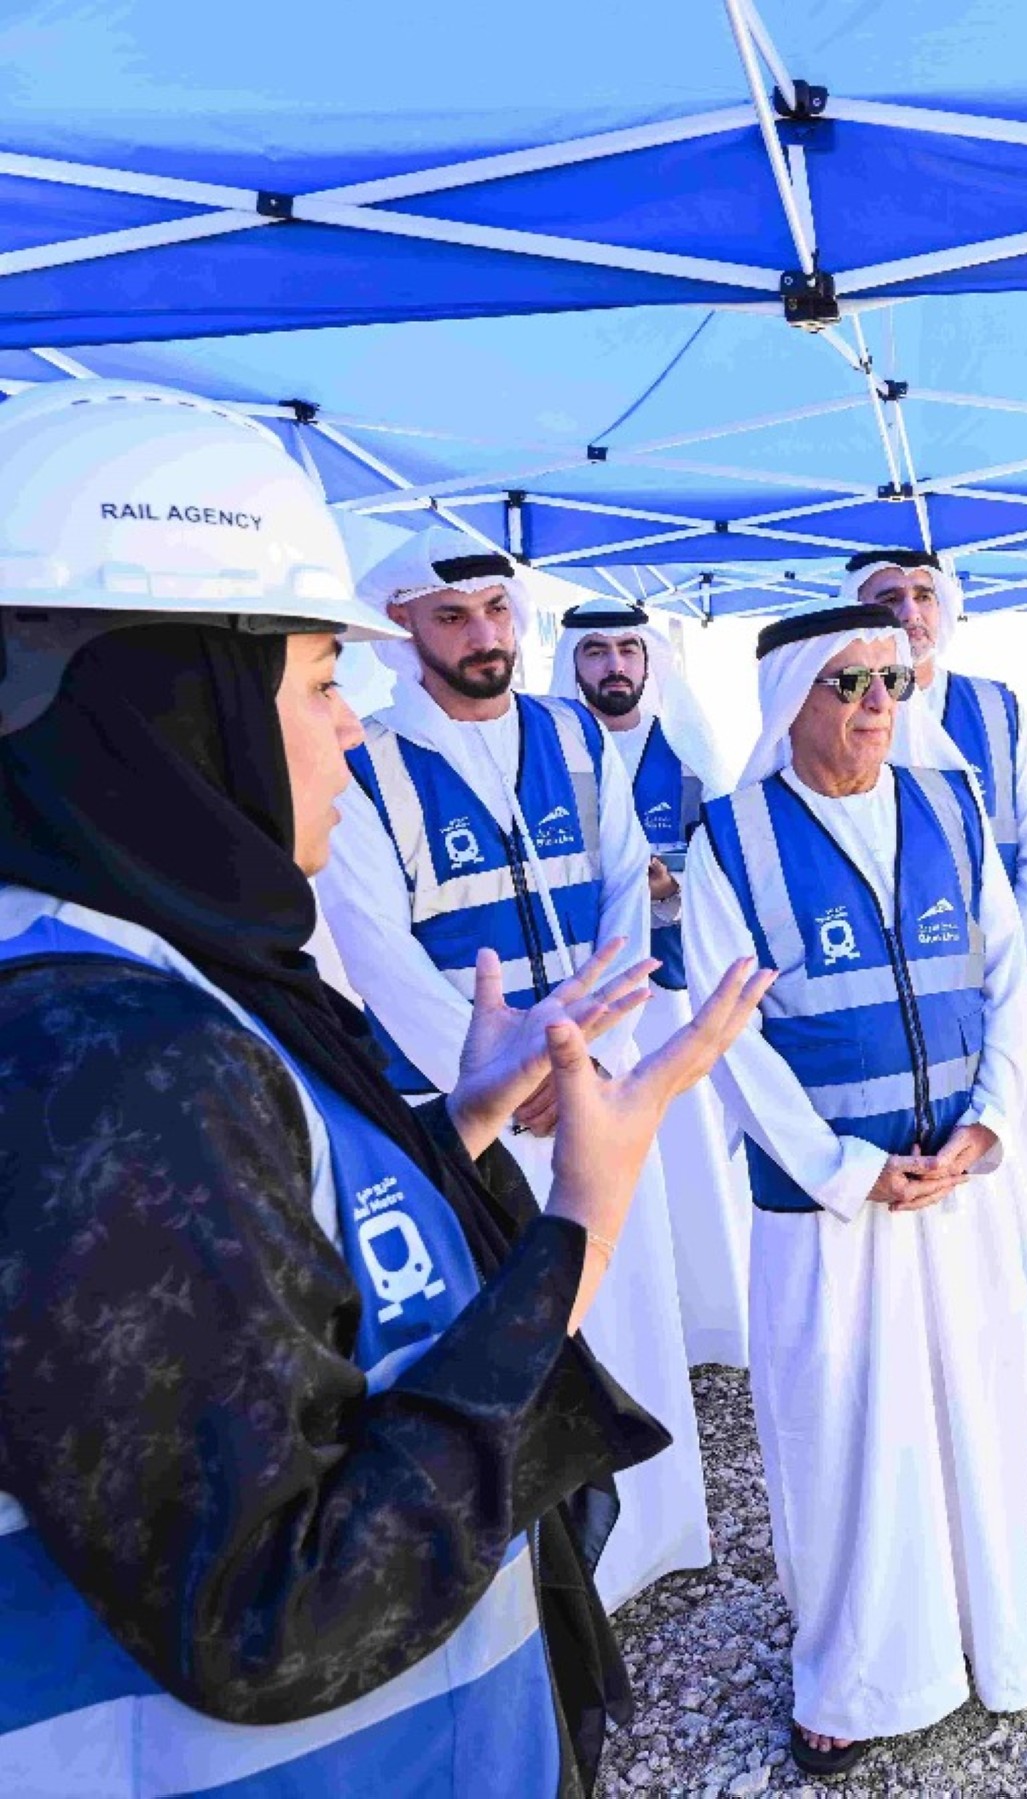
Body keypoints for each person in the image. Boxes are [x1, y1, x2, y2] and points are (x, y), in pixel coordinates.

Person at [0, 381, 770, 1796]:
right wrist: (577, 1226)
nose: (352, 729)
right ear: (176, 709)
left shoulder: (137, 977)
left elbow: (246, 1260)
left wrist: (449, 1126)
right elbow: (277, 1610)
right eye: (313, 682)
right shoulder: (106, 1054)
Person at [682, 600, 1027, 1775]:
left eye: (889, 681)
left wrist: (987, 1126)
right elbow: (728, 1037)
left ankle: (995, 1638)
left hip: (956, 1186)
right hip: (832, 1209)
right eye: (845, 684)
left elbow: (1007, 981)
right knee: (841, 1430)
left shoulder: (950, 805)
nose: (873, 707)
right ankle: (850, 1674)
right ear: (789, 697)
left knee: (978, 1410)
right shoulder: (729, 839)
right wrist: (849, 1169)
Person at [314, 523, 714, 1609]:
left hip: (597, 1089)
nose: (482, 635)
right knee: (510, 1335)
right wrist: (513, 1082)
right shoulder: (365, 763)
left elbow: (627, 891)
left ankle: (650, 1542)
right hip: (474, 1116)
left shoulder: (574, 733)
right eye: (451, 616)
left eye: (496, 610)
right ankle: (544, 1580)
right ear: (399, 631)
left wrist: (601, 1058)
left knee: (625, 1305)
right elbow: (376, 949)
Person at [846, 547, 1027, 1451]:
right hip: (900, 1025)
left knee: (1026, 1192)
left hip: (1002, 1004)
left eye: (920, 594)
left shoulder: (997, 709)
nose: (907, 610)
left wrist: (1009, 991)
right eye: (885, 598)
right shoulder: (842, 706)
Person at [551, 598, 752, 1369]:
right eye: (595, 651)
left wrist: (671, 888)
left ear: (649, 661)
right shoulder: (551, 757)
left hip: (677, 996)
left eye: (629, 650)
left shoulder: (692, 753)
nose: (614, 666)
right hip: (592, 1004)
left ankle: (705, 1321)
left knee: (692, 1155)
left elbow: (736, 870)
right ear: (573, 663)